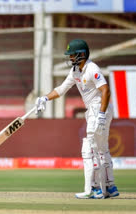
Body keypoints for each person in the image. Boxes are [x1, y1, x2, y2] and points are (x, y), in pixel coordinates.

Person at [35, 39, 119, 199]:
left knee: (89, 148)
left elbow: (106, 90)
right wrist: (44, 98)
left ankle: (95, 190)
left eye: (72, 55)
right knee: (102, 148)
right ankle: (110, 187)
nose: (70, 58)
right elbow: (61, 89)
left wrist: (101, 114)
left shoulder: (92, 68)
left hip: (99, 108)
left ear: (81, 54)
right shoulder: (75, 71)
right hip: (96, 111)